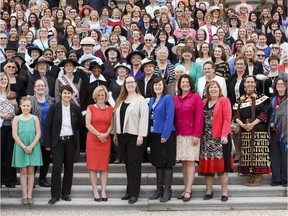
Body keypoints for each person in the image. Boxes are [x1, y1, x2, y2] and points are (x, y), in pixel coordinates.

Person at [44, 85, 84, 204]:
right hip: (57, 142)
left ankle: (66, 193)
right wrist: (47, 143)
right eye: (65, 93)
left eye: (69, 93)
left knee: (69, 168)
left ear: (72, 95)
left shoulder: (75, 108)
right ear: (61, 94)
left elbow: (80, 124)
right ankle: (55, 195)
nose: (67, 95)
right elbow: (48, 125)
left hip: (70, 141)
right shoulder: (54, 107)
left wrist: (75, 122)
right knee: (56, 168)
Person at [112, 76, 149, 204]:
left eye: (132, 82)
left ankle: (134, 193)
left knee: (134, 165)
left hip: (135, 136)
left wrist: (141, 135)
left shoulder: (141, 100)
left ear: (135, 84)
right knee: (127, 165)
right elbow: (116, 117)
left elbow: (144, 118)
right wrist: (115, 134)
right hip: (122, 136)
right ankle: (129, 191)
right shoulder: (121, 100)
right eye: (128, 82)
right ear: (124, 85)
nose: (130, 84)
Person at [198, 81, 233, 202]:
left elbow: (227, 118)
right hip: (206, 139)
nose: (213, 89)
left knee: (222, 168)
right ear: (207, 90)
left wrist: (224, 134)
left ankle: (224, 192)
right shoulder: (203, 102)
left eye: (215, 87)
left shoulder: (224, 100)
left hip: (220, 139)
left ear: (219, 89)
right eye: (211, 87)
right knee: (207, 167)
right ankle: (209, 191)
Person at [234, 75, 270, 187]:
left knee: (257, 153)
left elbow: (264, 113)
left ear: (255, 84)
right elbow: (235, 114)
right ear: (244, 84)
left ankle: (257, 178)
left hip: (258, 129)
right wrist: (243, 125)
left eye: (252, 82)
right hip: (245, 129)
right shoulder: (240, 99)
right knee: (248, 154)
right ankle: (251, 177)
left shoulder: (262, 98)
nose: (250, 84)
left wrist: (252, 124)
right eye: (247, 82)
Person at [174, 74, 204, 202]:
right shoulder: (176, 98)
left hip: (192, 134)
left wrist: (197, 135)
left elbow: (199, 117)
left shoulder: (196, 97)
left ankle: (189, 189)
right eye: (182, 82)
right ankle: (185, 187)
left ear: (191, 84)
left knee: (191, 162)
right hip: (180, 134)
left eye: (187, 82)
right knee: (184, 162)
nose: (185, 84)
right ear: (179, 84)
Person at [148, 77, 176, 203]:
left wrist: (165, 135)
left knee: (167, 163)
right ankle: (159, 189)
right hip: (154, 135)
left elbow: (170, 117)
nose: (157, 87)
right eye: (155, 85)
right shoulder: (152, 100)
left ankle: (167, 190)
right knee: (158, 163)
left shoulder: (168, 98)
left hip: (166, 135)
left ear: (163, 86)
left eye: (160, 85)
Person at [12, 97, 42, 205]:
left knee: (31, 171)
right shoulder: (16, 118)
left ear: (31, 106)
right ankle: (24, 195)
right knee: (23, 171)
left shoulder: (34, 118)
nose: (26, 107)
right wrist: (24, 147)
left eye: (28, 105)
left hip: (33, 146)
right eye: (24, 105)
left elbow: (38, 133)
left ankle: (30, 195)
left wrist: (31, 146)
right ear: (20, 106)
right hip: (21, 146)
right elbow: (14, 134)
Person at [86, 86, 114, 202]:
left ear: (106, 96)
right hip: (93, 139)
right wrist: (99, 135)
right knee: (93, 167)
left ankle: (103, 190)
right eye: (99, 95)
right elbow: (88, 124)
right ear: (95, 96)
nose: (101, 97)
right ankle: (95, 190)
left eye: (103, 95)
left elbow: (111, 125)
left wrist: (105, 135)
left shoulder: (110, 109)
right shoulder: (90, 108)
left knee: (104, 167)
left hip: (105, 140)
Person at [30, 79, 54, 187]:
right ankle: (31, 179)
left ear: (45, 87)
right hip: (34, 132)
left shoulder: (51, 99)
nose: (40, 87)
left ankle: (42, 179)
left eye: (42, 85)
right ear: (34, 88)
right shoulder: (30, 100)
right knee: (34, 157)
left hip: (48, 132)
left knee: (46, 157)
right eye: (38, 85)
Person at [269, 77, 287, 187]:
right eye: (278, 84)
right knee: (275, 155)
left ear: (286, 86)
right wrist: (271, 122)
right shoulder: (272, 99)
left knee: (285, 156)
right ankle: (276, 179)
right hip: (274, 131)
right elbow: (269, 114)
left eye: (282, 84)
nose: (280, 86)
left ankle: (286, 179)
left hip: (286, 132)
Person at [0, 72, 18, 188]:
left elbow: (16, 111)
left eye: (5, 79)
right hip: (1, 126)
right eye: (1, 79)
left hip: (10, 127)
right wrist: (2, 116)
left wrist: (15, 104)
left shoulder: (11, 93)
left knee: (10, 153)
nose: (3, 81)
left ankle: (10, 180)